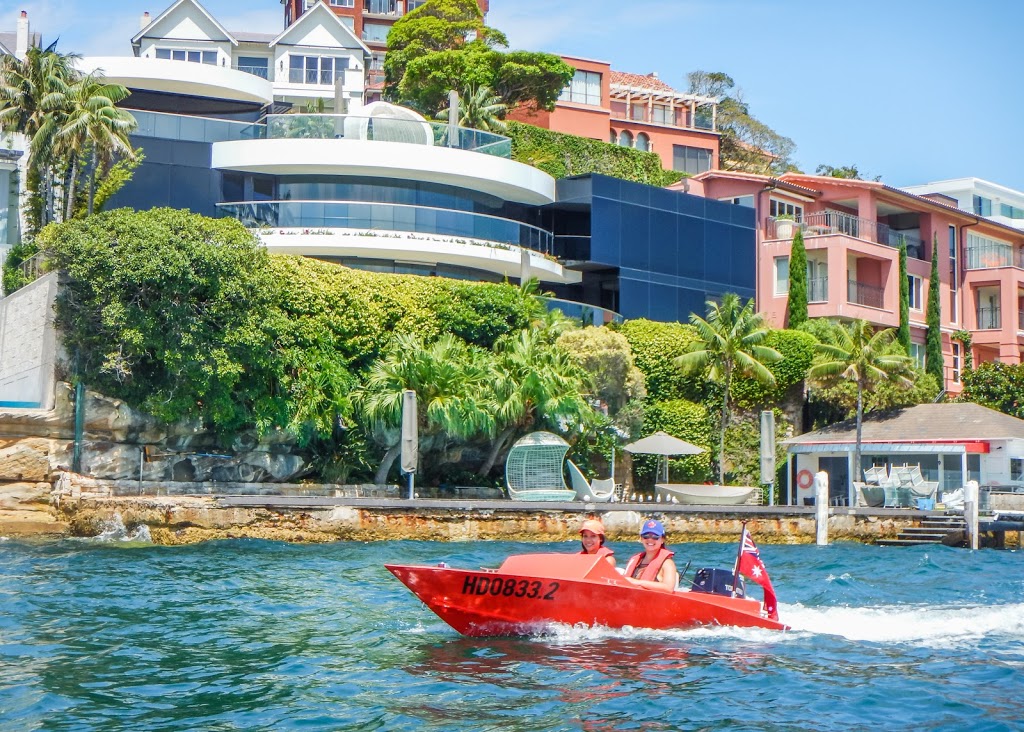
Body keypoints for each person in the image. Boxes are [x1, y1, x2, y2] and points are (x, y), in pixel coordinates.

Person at [624, 519, 678, 593]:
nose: (650, 540)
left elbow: (669, 588)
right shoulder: (636, 560)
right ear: (641, 539)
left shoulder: (667, 563)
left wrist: (638, 582)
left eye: (655, 537)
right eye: (646, 536)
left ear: (662, 540)